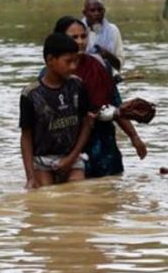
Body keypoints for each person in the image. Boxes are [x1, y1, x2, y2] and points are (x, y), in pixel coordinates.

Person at [54, 16, 147, 177]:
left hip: (104, 149)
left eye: (83, 36)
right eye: (74, 37)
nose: (81, 42)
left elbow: (115, 104)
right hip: (69, 150)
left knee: (109, 193)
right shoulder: (53, 72)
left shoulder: (100, 65)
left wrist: (134, 137)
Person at [20, 33, 95, 189]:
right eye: (68, 62)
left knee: (78, 194)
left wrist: (70, 159)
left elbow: (87, 123)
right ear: (50, 60)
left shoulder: (77, 86)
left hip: (73, 158)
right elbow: (26, 136)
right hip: (42, 161)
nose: (73, 67)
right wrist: (30, 177)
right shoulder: (31, 94)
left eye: (75, 61)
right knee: (46, 196)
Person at [82, 0, 124, 71]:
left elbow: (119, 64)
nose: (97, 13)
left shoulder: (113, 30)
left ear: (104, 11)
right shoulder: (78, 30)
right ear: (85, 13)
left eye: (100, 10)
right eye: (92, 10)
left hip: (106, 74)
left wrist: (107, 55)